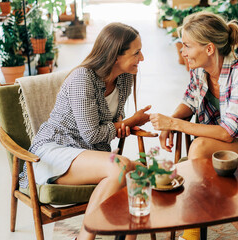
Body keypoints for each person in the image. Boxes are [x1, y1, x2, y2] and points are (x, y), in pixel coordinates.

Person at [149, 11, 238, 240]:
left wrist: (174, 123)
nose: (183, 52)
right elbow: (189, 101)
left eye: (187, 46)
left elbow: (227, 133)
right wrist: (171, 123)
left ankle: (191, 233)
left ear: (209, 49)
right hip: (220, 147)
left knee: (200, 150)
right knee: (212, 174)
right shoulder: (200, 70)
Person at [19, 22, 150, 240]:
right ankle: (84, 238)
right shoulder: (83, 78)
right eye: (136, 53)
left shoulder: (125, 77)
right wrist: (128, 122)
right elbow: (92, 134)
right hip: (54, 152)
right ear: (115, 55)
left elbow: (110, 121)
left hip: (89, 154)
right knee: (121, 166)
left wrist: (123, 124)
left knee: (141, 174)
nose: (142, 58)